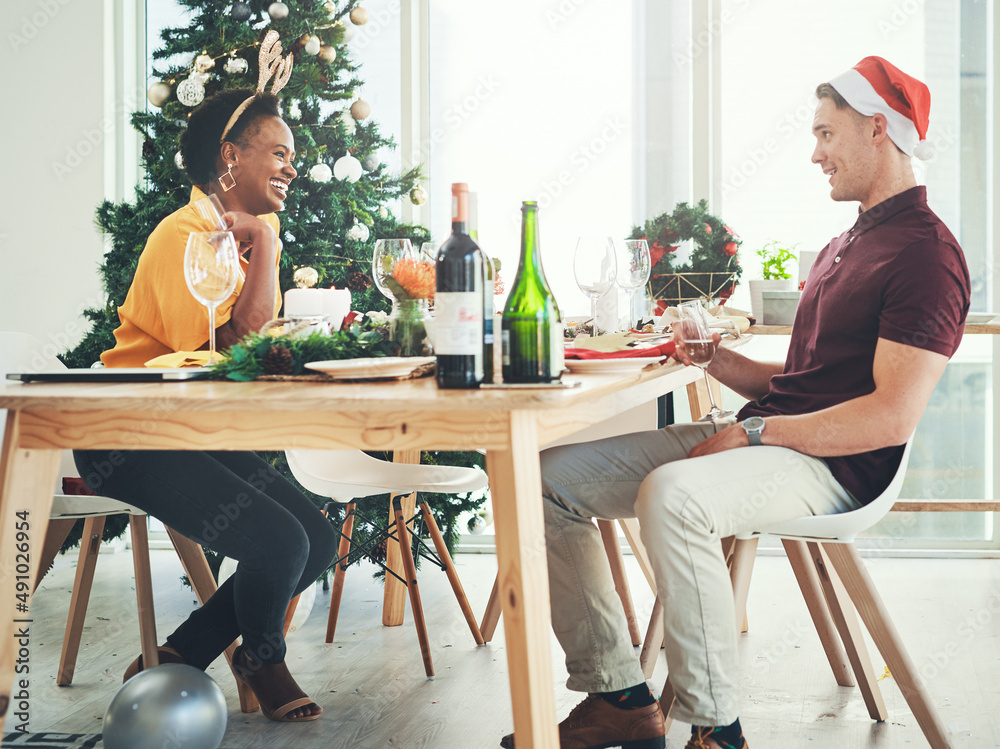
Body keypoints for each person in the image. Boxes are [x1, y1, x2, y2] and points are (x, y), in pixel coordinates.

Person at [502, 56, 970, 749]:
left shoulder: (927, 255)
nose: (815, 154)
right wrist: (717, 360)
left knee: (674, 494)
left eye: (825, 134)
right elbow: (811, 376)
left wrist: (756, 437)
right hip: (776, 434)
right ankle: (621, 697)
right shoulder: (849, 241)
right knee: (542, 479)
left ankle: (717, 729)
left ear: (878, 129)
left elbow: (888, 416)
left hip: (839, 466)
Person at [74, 86, 338, 723]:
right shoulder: (182, 236)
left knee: (319, 539)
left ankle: (181, 654)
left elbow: (237, 357)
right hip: (129, 432)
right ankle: (262, 659)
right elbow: (234, 344)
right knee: (278, 541)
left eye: (292, 157)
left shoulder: (250, 233)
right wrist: (268, 250)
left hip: (190, 425)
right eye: (277, 152)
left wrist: (264, 242)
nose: (290, 168)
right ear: (230, 157)